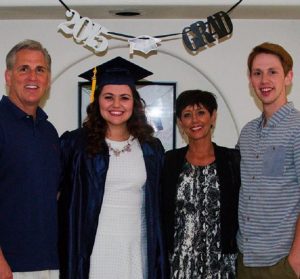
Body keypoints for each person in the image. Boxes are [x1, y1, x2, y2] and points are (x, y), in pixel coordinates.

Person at [58, 56, 166, 279]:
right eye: (108, 97)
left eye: (124, 98)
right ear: (98, 100)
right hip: (93, 249)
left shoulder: (150, 148)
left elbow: (157, 204)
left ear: (134, 103)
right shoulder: (75, 144)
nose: (116, 105)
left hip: (136, 246)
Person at [161, 89, 241, 278]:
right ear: (180, 123)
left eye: (201, 113)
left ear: (213, 117)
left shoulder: (233, 160)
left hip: (222, 263)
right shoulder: (169, 162)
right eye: (187, 115)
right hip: (180, 262)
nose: (195, 120)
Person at [237, 42, 300, 279]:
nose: (264, 80)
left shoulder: (297, 128)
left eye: (272, 72)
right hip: (245, 257)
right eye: (257, 73)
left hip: (282, 262)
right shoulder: (247, 132)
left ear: (288, 77)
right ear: (251, 80)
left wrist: (295, 260)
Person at [0, 40, 60, 279]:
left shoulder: (49, 132)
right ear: (8, 75)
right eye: (24, 68)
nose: (32, 77)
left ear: (48, 79)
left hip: (49, 261)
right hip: (10, 266)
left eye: (40, 70)